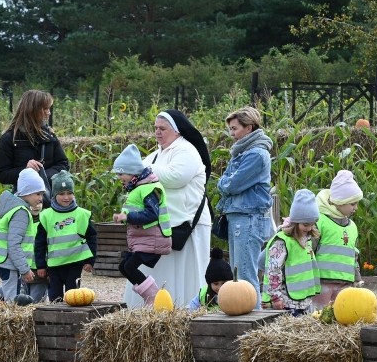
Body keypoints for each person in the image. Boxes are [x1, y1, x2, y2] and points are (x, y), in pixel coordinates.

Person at [122, 110, 211, 308]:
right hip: (160, 227)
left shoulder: (187, 150)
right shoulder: (155, 155)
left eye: (162, 128)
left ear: (177, 131)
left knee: (184, 276)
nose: (157, 133)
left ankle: (183, 309)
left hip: (187, 225)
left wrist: (142, 171)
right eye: (155, 128)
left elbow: (176, 176)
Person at [216, 106, 273, 309]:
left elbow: (231, 184)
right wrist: (225, 182)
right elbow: (228, 181)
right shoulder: (242, 152)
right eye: (230, 129)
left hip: (248, 217)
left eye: (235, 128)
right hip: (239, 216)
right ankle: (245, 316)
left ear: (249, 128)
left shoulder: (256, 155)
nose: (231, 134)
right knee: (238, 273)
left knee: (246, 275)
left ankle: (254, 321)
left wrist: (223, 183)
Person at [111, 144, 172, 305]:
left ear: (133, 173)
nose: (119, 177)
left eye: (121, 173)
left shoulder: (149, 189)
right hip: (144, 239)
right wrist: (124, 217)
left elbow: (151, 214)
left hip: (153, 239)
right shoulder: (138, 188)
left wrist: (127, 216)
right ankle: (150, 297)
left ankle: (154, 297)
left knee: (129, 267)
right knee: (124, 267)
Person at [0, 168, 46, 302]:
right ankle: (11, 321)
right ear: (27, 192)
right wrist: (25, 269)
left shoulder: (13, 207)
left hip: (5, 261)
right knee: (13, 300)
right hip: (9, 263)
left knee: (12, 292)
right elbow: (14, 244)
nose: (41, 199)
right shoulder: (21, 212)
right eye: (38, 194)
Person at [0, 89, 69, 206]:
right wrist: (25, 170)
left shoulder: (49, 135)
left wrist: (42, 175)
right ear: (32, 110)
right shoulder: (9, 138)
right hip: (23, 203)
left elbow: (63, 164)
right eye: (45, 109)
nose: (49, 113)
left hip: (51, 201)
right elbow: (2, 175)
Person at [35, 170, 98, 302]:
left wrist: (89, 261)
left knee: (73, 297)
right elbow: (40, 243)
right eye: (61, 194)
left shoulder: (82, 214)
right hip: (54, 266)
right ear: (53, 195)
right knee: (55, 298)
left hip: (75, 263)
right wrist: (40, 265)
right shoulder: (46, 215)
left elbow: (92, 238)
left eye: (70, 193)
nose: (66, 197)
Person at [261, 189, 321, 316]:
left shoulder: (306, 239)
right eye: (305, 225)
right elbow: (273, 271)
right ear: (295, 222)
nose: (309, 228)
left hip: (302, 299)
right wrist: (276, 297)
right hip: (285, 301)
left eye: (312, 224)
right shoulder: (282, 242)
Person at [312, 170, 364, 307]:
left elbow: (354, 255)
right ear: (340, 202)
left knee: (341, 316)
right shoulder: (320, 221)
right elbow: (309, 252)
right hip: (322, 282)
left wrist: (357, 278)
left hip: (345, 283)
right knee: (318, 315)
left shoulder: (352, 227)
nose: (356, 208)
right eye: (352, 204)